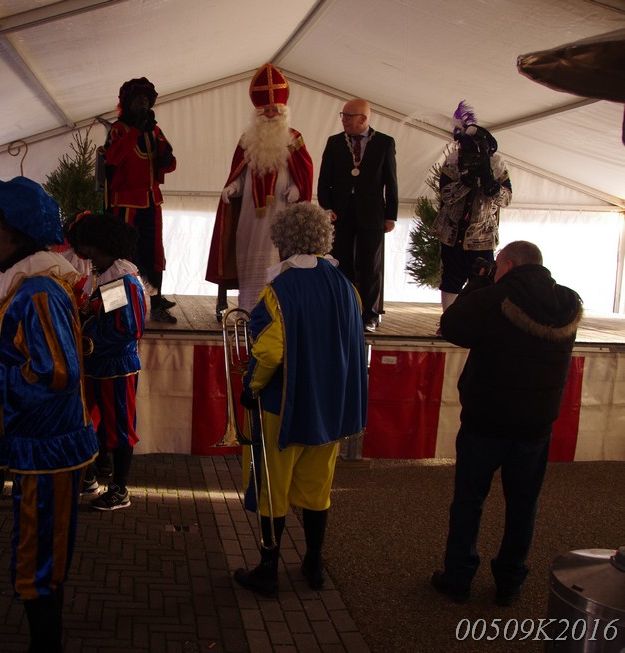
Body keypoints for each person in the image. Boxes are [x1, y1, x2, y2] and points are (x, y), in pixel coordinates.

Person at [0, 176, 98, 653]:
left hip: (49, 449)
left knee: (40, 555)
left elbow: (56, 372)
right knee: (38, 550)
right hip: (38, 445)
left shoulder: (37, 292)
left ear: (16, 232)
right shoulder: (26, 285)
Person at [431, 241, 582, 606]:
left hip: (486, 421)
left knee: (469, 501)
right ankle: (510, 582)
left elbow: (451, 326)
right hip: (536, 425)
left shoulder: (493, 298)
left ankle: (459, 579)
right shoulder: (567, 302)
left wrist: (476, 284)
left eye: (498, 268)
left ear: (509, 265)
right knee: (523, 505)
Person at [232, 202, 367, 596]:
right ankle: (313, 563)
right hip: (329, 408)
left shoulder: (280, 289)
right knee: (316, 488)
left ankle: (268, 570)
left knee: (272, 488)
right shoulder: (347, 286)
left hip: (284, 407)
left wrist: (251, 386)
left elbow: (270, 352)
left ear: (283, 241)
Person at [206, 63, 314, 318]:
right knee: (250, 260)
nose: (270, 114)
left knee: (276, 259)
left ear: (283, 111)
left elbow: (303, 172)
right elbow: (242, 175)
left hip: (282, 212)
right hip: (250, 216)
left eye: (275, 109)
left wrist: (298, 189)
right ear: (257, 112)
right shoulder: (248, 140)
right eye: (265, 110)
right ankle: (248, 309)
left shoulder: (293, 138)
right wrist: (232, 187)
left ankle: (277, 313)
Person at [67, 213, 146, 511]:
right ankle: (90, 479)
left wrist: (87, 332)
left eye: (89, 249)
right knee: (92, 423)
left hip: (117, 368)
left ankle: (119, 490)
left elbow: (127, 328)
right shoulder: (110, 277)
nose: (86, 256)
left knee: (120, 429)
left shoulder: (120, 281)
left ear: (101, 247)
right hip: (101, 365)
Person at [317, 97, 399, 333]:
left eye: (348, 116)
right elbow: (324, 180)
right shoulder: (334, 142)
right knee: (340, 262)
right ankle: (344, 311)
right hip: (340, 213)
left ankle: (369, 314)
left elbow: (391, 181)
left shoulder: (384, 142)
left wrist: (390, 216)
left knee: (370, 264)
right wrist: (326, 207)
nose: (344, 120)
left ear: (363, 118)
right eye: (342, 116)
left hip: (372, 213)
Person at [103, 78, 178, 323]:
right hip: (125, 204)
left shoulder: (154, 130)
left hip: (151, 202)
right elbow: (113, 157)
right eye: (138, 99)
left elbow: (170, 163)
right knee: (121, 254)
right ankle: (115, 307)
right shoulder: (119, 129)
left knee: (154, 254)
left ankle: (155, 303)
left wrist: (166, 157)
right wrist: (136, 131)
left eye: (146, 99)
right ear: (128, 103)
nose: (143, 102)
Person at [434, 102, 513, 315]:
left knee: (482, 280)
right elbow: (446, 196)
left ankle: (476, 321)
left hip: (482, 236)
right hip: (452, 235)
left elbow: (506, 199)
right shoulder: (452, 164)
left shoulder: (497, 167)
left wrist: (491, 184)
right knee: (451, 278)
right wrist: (465, 183)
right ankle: (448, 319)